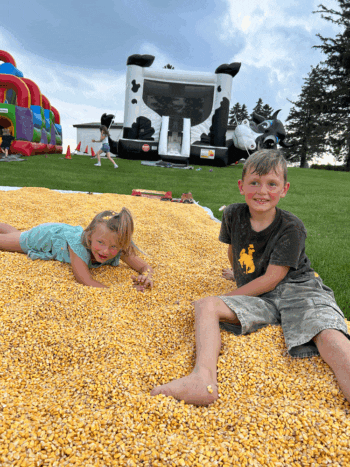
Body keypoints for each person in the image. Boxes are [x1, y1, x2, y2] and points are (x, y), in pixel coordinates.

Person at [151, 149, 350, 405]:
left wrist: (229, 294)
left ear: (284, 189)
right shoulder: (233, 215)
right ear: (241, 186)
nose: (262, 191)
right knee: (205, 305)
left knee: (327, 333)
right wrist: (239, 276)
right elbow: (233, 249)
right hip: (262, 297)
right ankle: (203, 379)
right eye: (254, 182)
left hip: (298, 290)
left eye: (272, 184)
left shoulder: (292, 227)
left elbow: (273, 278)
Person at [0, 208, 153, 290]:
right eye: (100, 242)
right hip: (46, 237)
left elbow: (145, 267)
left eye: (113, 247)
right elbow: (85, 279)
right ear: (89, 235)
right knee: (12, 241)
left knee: (16, 235)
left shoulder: (120, 245)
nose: (106, 251)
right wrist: (118, 292)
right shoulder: (78, 245)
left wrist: (146, 276)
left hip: (56, 233)